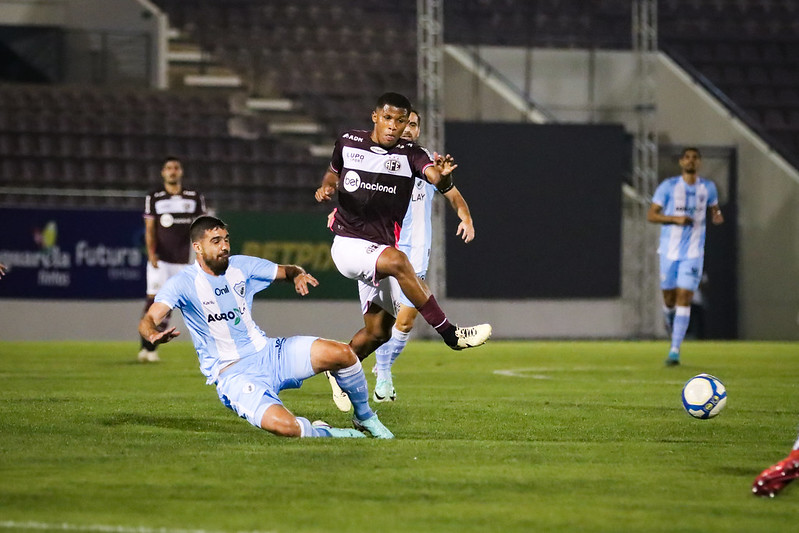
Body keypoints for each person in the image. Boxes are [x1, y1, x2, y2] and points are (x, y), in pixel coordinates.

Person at [138, 215, 393, 439]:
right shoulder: (182, 283)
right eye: (215, 241)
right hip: (234, 374)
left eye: (226, 239)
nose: (224, 246)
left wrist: (298, 275)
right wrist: (152, 334)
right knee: (287, 428)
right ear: (198, 247)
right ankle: (328, 432)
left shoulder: (241, 266)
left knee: (343, 354)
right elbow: (149, 319)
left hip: (270, 353)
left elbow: (289, 270)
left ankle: (366, 417)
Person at [314, 92, 491, 364]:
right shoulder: (349, 142)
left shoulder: (413, 155)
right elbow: (333, 170)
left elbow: (437, 179)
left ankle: (337, 370)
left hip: (381, 249)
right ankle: (451, 334)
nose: (394, 126)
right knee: (399, 262)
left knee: (378, 333)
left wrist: (444, 179)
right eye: (387, 118)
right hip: (349, 244)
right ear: (375, 117)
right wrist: (327, 185)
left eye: (401, 121)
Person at [371, 109, 476, 403]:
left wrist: (465, 218)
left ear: (416, 131)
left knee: (404, 323)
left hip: (417, 252)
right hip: (384, 249)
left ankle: (372, 369)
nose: (407, 129)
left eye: (413, 125)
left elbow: (452, 194)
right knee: (387, 321)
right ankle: (381, 375)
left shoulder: (427, 162)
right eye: (404, 123)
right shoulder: (376, 158)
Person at [647, 147, 723, 366]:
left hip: (693, 253)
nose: (691, 161)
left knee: (684, 297)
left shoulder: (708, 188)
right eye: (687, 157)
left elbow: (714, 208)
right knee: (669, 299)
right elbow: (651, 215)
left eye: (695, 158)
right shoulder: (668, 187)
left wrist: (717, 214)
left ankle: (674, 350)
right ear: (681, 162)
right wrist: (674, 219)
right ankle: (669, 319)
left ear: (699, 162)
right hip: (669, 252)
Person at [138, 156, 206, 363]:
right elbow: (150, 229)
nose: (172, 171)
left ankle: (154, 345)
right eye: (168, 168)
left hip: (185, 260)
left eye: (176, 168)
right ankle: (147, 347)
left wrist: (201, 255)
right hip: (161, 260)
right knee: (154, 301)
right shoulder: (155, 197)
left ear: (181, 172)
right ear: (163, 172)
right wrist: (151, 254)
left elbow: (201, 228)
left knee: (176, 304)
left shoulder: (194, 197)